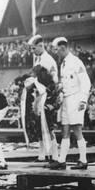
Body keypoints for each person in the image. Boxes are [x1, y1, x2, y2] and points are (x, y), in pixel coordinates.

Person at [49, 37, 91, 170]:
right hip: (66, 100)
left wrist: (83, 100)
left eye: (57, 50)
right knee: (65, 129)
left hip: (76, 99)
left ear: (63, 48)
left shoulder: (76, 62)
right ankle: (62, 160)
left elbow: (86, 82)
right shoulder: (63, 63)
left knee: (77, 130)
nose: (56, 53)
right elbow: (66, 81)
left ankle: (83, 160)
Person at [27, 34, 60, 162]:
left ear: (41, 46)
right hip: (38, 96)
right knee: (38, 125)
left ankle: (55, 155)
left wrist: (50, 96)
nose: (32, 51)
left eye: (34, 48)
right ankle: (42, 154)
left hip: (48, 96)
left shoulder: (48, 60)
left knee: (49, 125)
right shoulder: (38, 59)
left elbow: (54, 80)